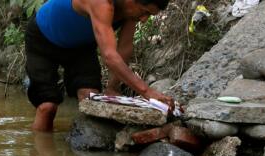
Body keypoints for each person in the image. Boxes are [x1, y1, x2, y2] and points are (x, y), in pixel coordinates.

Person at [25, 0, 174, 132]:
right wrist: (146, 91)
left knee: (90, 98)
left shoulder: (132, 12)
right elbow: (109, 55)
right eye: (145, 12)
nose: (144, 19)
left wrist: (113, 88)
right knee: (47, 107)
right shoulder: (102, 3)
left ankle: (84, 154)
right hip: (42, 39)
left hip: (80, 47)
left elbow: (124, 48)